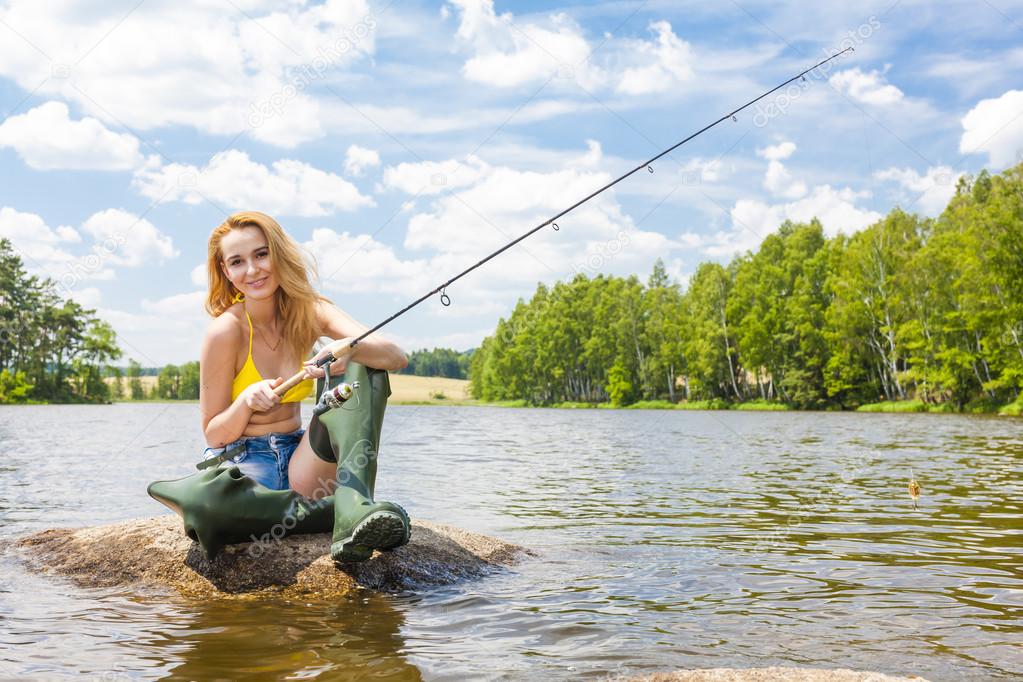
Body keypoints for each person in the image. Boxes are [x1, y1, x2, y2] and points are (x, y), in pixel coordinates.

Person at [199, 211, 408, 498]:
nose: (252, 270)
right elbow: (214, 434)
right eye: (237, 262)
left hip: (302, 458)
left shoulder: (310, 311)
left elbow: (395, 357)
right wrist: (246, 402)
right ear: (226, 271)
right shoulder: (225, 331)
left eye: (261, 255)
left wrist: (349, 347)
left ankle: (356, 508)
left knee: (365, 365)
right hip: (244, 461)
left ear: (279, 255)